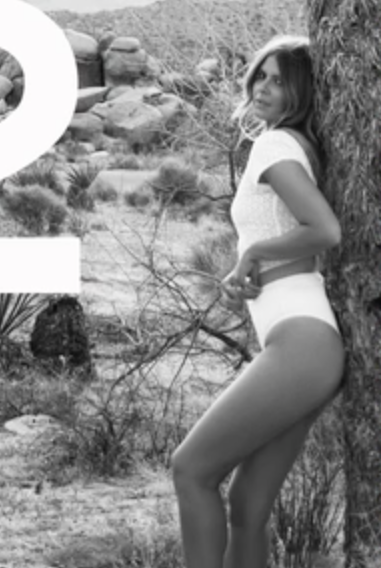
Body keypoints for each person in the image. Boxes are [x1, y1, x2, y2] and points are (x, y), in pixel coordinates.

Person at [171, 35, 344, 568]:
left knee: (191, 470)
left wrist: (256, 253)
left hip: (301, 344)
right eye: (261, 76)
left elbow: (325, 231)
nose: (264, 88)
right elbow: (296, 244)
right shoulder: (296, 144)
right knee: (247, 506)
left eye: (280, 81)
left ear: (302, 92)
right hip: (309, 343)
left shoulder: (274, 146)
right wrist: (245, 270)